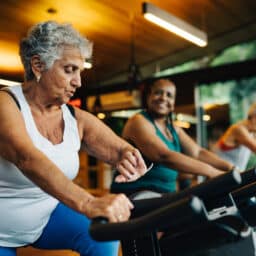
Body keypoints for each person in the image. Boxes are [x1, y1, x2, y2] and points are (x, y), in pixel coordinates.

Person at [0, 21, 149, 256]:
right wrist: (89, 202)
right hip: (1, 230)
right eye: (69, 70)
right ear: (38, 65)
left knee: (103, 232)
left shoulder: (73, 117)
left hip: (45, 218)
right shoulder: (6, 104)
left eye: (80, 71)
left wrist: (128, 157)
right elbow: (26, 157)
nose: (78, 82)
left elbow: (118, 148)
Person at [111, 79, 234, 195]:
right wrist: (212, 172)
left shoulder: (173, 128)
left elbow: (198, 152)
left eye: (169, 95)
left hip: (164, 195)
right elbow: (163, 155)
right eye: (158, 93)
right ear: (149, 97)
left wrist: (229, 167)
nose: (163, 98)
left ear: (173, 103)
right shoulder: (138, 121)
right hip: (137, 194)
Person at [213, 103, 256, 171]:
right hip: (221, 176)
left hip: (233, 174)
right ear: (254, 117)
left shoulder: (251, 132)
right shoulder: (239, 129)